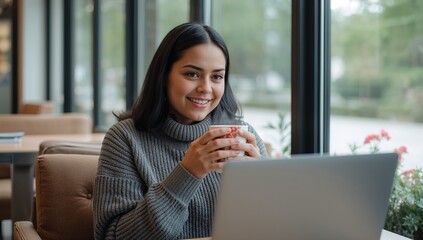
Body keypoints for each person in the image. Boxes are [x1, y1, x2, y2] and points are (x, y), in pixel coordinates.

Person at [93, 22, 268, 240]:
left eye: (217, 77)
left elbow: (270, 226)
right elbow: (114, 236)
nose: (206, 88)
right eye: (192, 74)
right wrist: (188, 172)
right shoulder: (124, 139)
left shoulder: (242, 137)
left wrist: (261, 185)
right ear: (164, 76)